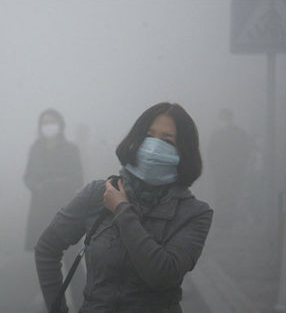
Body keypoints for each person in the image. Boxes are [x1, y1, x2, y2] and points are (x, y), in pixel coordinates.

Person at [35, 102, 213, 313]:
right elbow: (47, 248)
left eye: (167, 140)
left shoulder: (195, 214)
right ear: (136, 140)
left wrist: (121, 210)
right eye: (149, 135)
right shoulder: (98, 193)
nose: (154, 146)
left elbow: (162, 275)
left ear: (183, 151)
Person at [24, 108, 84, 308]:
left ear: (60, 125)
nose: (48, 126)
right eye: (45, 122)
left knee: (74, 268)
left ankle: (83, 306)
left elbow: (78, 179)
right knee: (48, 271)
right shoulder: (36, 148)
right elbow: (27, 176)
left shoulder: (71, 149)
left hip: (67, 213)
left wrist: (57, 183)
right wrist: (36, 185)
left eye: (52, 122)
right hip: (40, 213)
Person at [207, 108, 254, 228]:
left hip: (232, 171)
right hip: (224, 172)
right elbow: (211, 153)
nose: (225, 121)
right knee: (224, 195)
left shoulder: (236, 135)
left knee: (230, 195)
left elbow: (246, 152)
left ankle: (226, 221)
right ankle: (224, 221)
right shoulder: (221, 135)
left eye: (225, 118)